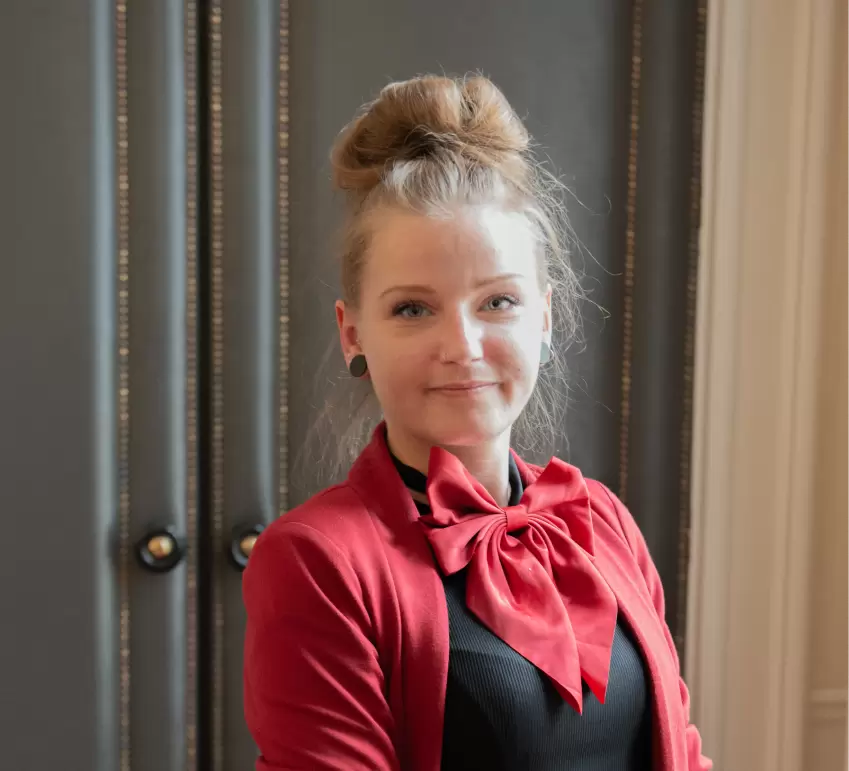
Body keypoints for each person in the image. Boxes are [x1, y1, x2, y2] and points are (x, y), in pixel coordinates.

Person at [242, 74, 712, 771]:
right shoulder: (316, 561)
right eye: (412, 308)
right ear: (352, 334)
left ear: (544, 318)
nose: (461, 345)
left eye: (496, 302)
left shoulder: (601, 519)